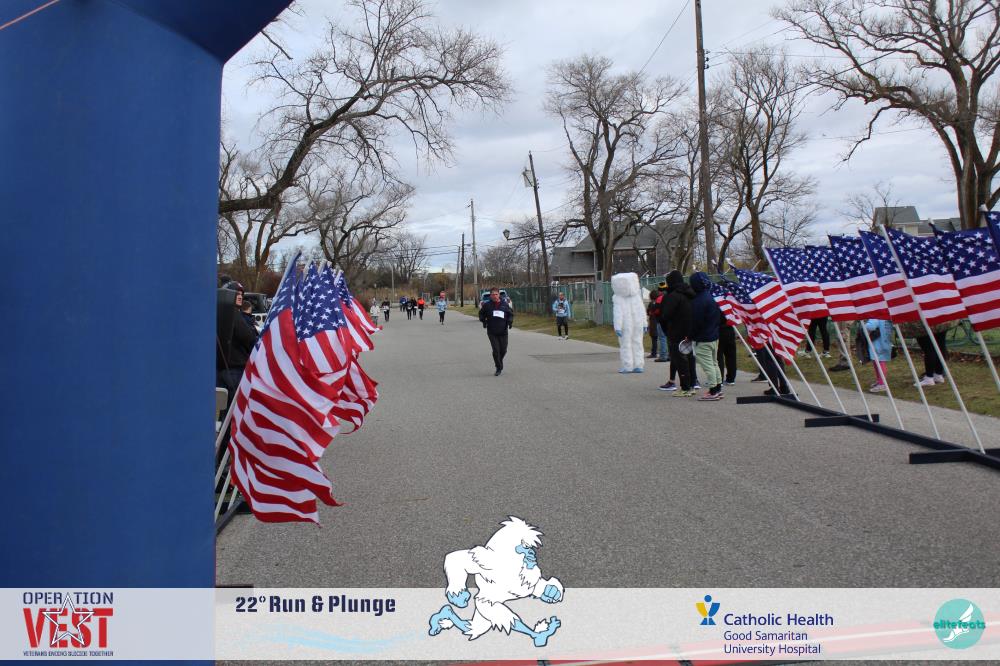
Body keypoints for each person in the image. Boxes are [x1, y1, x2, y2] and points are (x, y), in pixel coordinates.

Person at [216, 281, 258, 407]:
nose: (240, 296)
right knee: (235, 408)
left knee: (223, 408)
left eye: (241, 294)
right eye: (236, 293)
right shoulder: (234, 313)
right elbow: (248, 337)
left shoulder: (216, 313)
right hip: (235, 370)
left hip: (220, 370)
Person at [656, 270, 696, 396]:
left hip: (676, 332)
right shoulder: (691, 294)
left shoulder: (673, 296)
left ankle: (685, 388)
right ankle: (692, 384)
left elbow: (665, 315)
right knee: (689, 358)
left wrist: (666, 328)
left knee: (680, 360)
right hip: (690, 331)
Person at [689, 272, 724, 400]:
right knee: (714, 363)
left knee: (708, 365)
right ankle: (718, 388)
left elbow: (696, 322)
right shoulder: (711, 297)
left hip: (703, 338)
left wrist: (691, 335)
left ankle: (713, 390)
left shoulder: (698, 301)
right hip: (713, 336)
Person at [900, 320, 950, 387]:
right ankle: (938, 374)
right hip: (940, 320)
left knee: (929, 349)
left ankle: (929, 377)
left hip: (924, 323)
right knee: (940, 346)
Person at [479, 288, 513, 376]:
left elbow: (510, 314)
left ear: (499, 295)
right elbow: (481, 314)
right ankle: (498, 367)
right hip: (492, 331)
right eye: (493, 294)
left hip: (503, 331)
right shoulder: (487, 305)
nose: (494, 296)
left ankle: (499, 361)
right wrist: (484, 321)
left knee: (503, 350)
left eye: (496, 294)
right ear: (490, 296)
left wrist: (510, 322)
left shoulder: (504, 304)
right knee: (496, 350)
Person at [864, 318, 894, 393]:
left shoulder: (876, 315)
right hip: (885, 341)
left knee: (879, 363)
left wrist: (863, 325)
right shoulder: (886, 316)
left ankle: (882, 384)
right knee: (877, 362)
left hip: (878, 344)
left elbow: (871, 326)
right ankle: (880, 381)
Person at [717, 310, 737, 386]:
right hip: (730, 330)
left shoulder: (717, 305)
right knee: (731, 356)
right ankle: (731, 378)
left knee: (719, 357)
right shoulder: (728, 306)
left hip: (720, 331)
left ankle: (719, 379)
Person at [652, 281, 668, 362]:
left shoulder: (659, 298)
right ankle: (669, 355)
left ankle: (663, 356)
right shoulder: (669, 296)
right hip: (669, 321)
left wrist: (653, 313)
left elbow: (656, 310)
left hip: (661, 321)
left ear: (659, 290)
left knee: (662, 338)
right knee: (668, 338)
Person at [646, 289, 660, 358]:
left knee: (654, 338)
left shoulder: (651, 303)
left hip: (653, 322)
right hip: (659, 322)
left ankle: (654, 353)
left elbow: (648, 312)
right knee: (661, 338)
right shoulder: (659, 302)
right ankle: (662, 353)